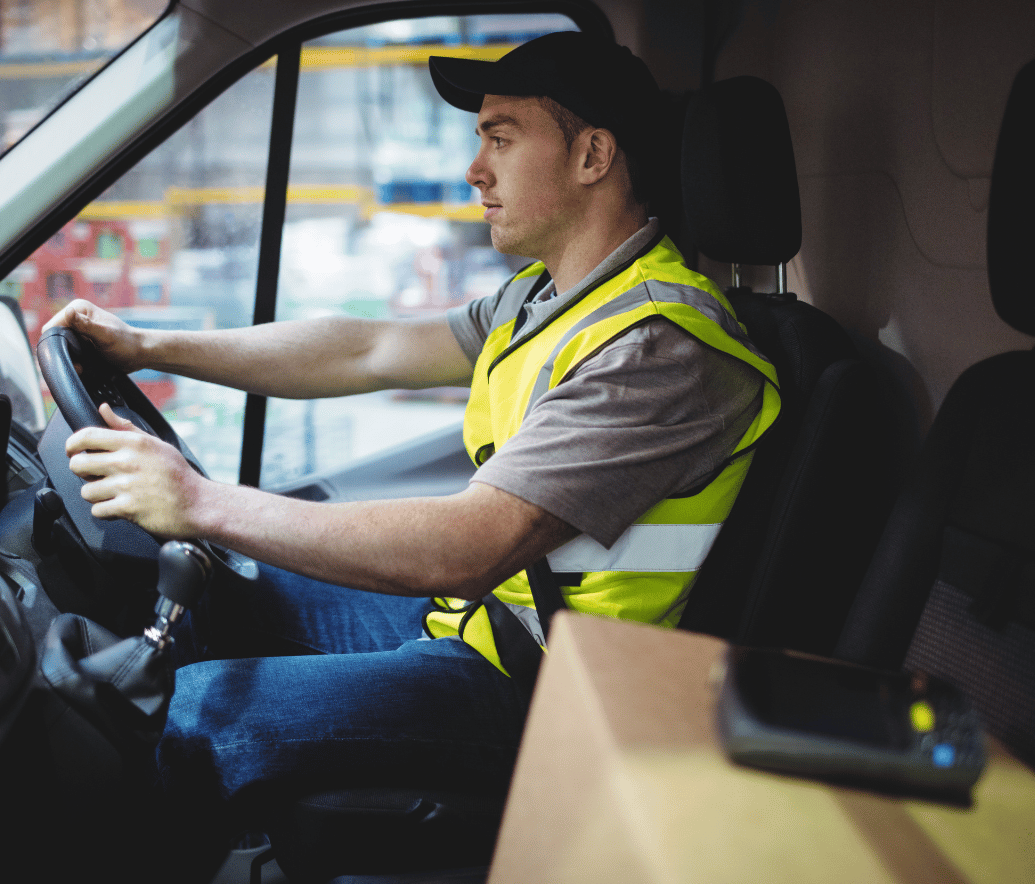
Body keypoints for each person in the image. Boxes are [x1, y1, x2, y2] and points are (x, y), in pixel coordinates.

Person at [44, 32, 779, 828]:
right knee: (220, 594)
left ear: (593, 155)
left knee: (192, 715)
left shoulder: (658, 346)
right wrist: (153, 347)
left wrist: (200, 501)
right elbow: (368, 348)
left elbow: (469, 548)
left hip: (558, 689)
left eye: (501, 139)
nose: (475, 170)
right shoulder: (548, 299)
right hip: (494, 628)